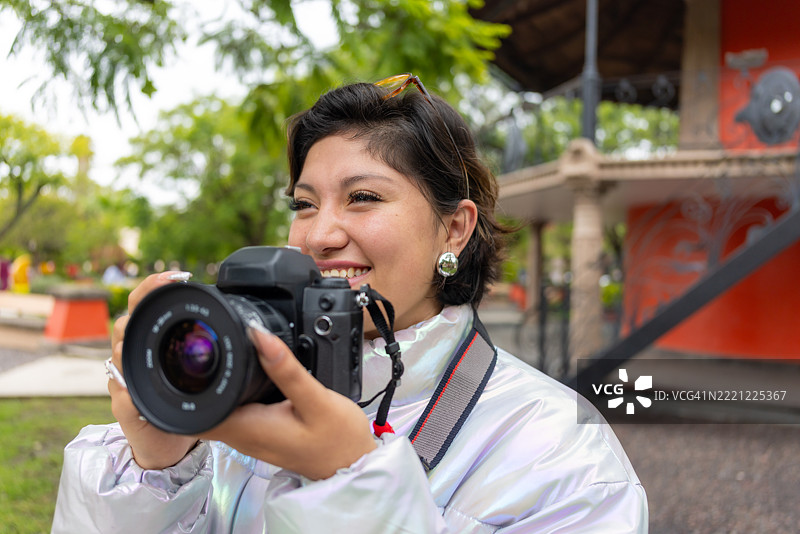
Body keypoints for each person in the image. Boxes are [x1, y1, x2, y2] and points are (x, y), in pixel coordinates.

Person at [53, 75, 647, 533]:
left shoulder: (561, 455)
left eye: (362, 197)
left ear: (454, 230)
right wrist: (155, 467)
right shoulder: (234, 385)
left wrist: (348, 482)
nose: (318, 235)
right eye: (304, 204)